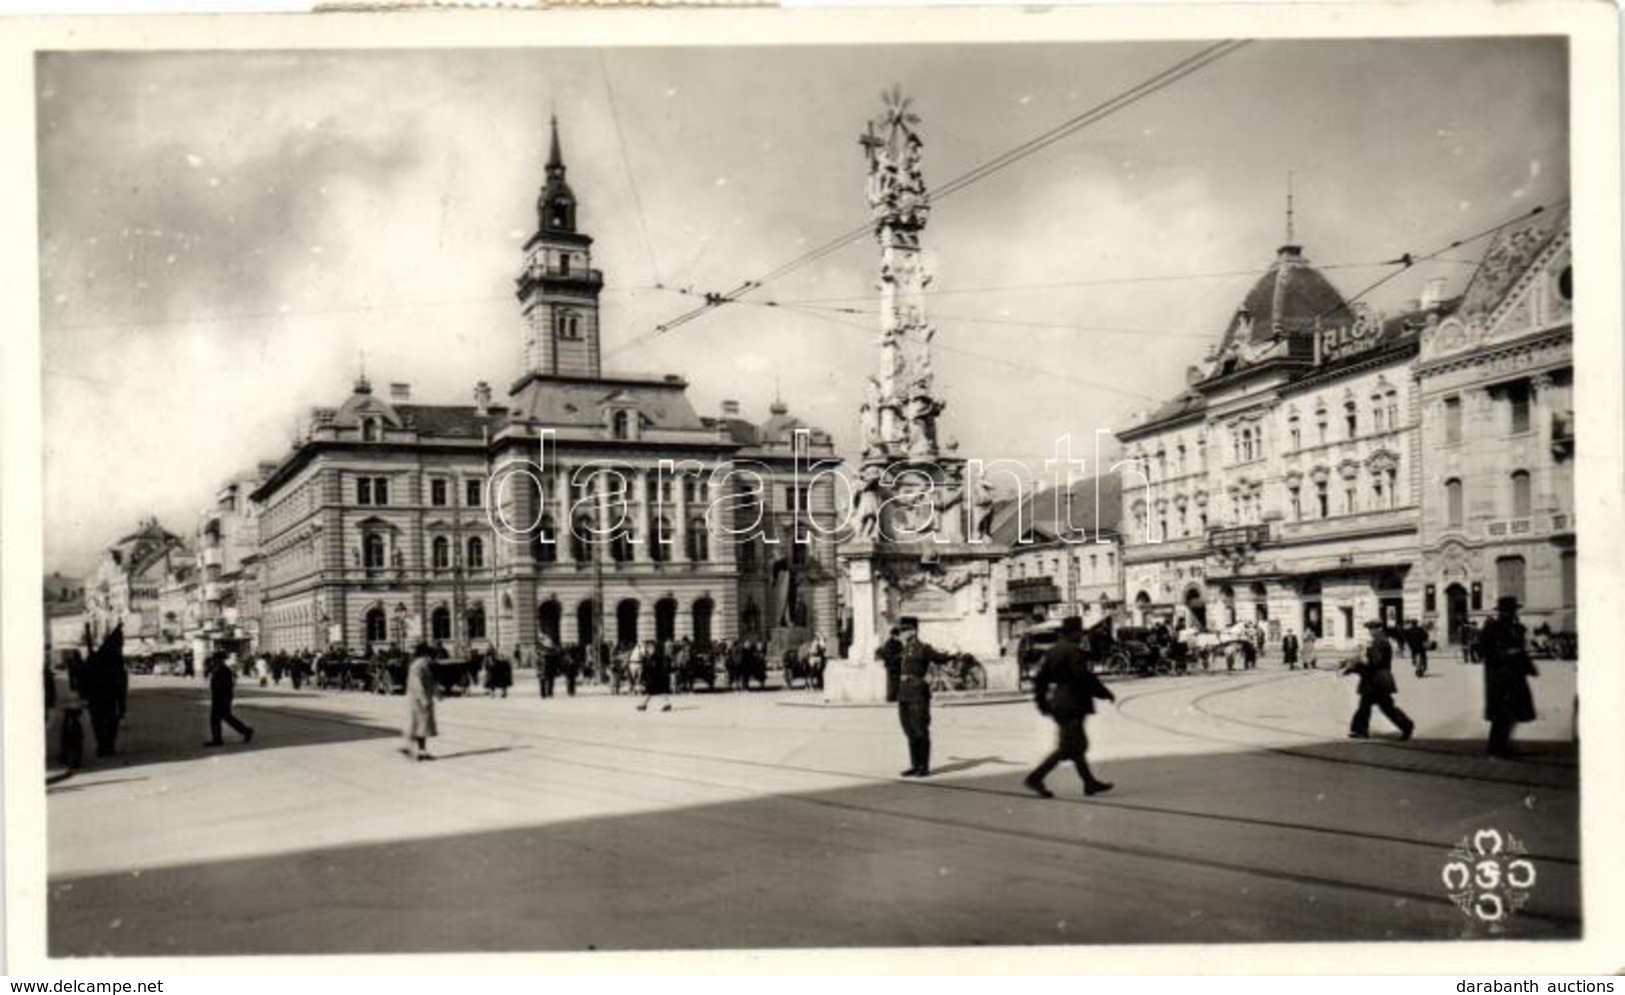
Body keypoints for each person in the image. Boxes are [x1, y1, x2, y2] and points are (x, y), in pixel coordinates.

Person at [1024, 616, 1115, 798]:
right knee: (1068, 747)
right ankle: (1035, 778)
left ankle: (1089, 783)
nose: (1081, 635)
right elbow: (1083, 677)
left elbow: (1040, 680)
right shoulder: (1074, 651)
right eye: (1079, 632)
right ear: (1073, 633)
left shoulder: (1053, 651)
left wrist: (1043, 704)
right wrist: (1103, 692)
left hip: (1060, 702)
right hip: (1073, 703)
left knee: (1076, 745)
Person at [1479, 596, 1537, 758]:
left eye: (1513, 610)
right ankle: (1495, 748)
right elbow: (1484, 651)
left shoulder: (1518, 629)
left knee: (1514, 713)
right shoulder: (1491, 628)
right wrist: (1506, 654)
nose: (1511, 613)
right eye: (1508, 611)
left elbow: (1521, 650)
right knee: (1501, 714)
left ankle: (1502, 745)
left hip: (1516, 677)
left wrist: (1530, 667)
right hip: (1499, 678)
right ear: (1501, 612)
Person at [1341, 620, 1414, 741]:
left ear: (1377, 629)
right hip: (1375, 680)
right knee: (1365, 706)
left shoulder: (1380, 642)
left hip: (1378, 681)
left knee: (1385, 707)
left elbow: (1376, 662)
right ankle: (1360, 730)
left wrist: (1358, 662)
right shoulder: (1379, 641)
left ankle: (1407, 726)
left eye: (1371, 629)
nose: (1370, 632)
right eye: (1369, 629)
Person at [895, 617, 944, 777]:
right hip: (904, 693)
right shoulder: (904, 648)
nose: (901, 633)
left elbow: (939, 658)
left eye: (904, 630)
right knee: (908, 729)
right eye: (901, 630)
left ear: (913, 631)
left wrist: (953, 655)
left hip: (917, 692)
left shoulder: (923, 648)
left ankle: (923, 766)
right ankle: (915, 765)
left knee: (920, 729)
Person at [83, 625, 127, 758]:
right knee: (107, 722)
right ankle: (106, 745)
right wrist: (121, 704)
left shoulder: (96, 660)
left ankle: (104, 745)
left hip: (100, 698)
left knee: (101, 722)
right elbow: (121, 684)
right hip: (104, 698)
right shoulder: (115, 662)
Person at [204, 651, 255, 747]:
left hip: (222, 698)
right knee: (224, 717)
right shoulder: (217, 669)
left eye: (216, 659)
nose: (214, 661)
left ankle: (218, 739)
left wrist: (224, 697)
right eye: (214, 660)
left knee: (219, 718)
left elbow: (227, 685)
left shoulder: (224, 670)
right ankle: (245, 731)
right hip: (218, 697)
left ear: (220, 660)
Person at [402, 643, 438, 761]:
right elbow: (417, 684)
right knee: (421, 727)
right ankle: (418, 752)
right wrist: (424, 699)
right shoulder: (418, 666)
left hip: (419, 699)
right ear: (425, 654)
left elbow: (429, 681)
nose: (430, 658)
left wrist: (436, 693)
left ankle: (418, 751)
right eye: (429, 655)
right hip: (419, 700)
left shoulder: (422, 665)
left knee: (421, 727)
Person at [638, 640, 672, 713]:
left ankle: (643, 705)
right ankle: (666, 704)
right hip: (661, 676)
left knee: (650, 691)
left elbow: (650, 667)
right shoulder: (662, 656)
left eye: (651, 647)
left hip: (655, 677)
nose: (650, 648)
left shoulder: (654, 657)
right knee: (660, 691)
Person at [879, 626, 903, 704]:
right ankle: (891, 697)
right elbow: (887, 655)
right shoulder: (889, 643)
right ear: (893, 635)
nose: (898, 637)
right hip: (891, 665)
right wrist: (898, 657)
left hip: (897, 665)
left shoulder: (898, 643)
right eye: (897, 635)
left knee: (896, 682)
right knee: (891, 682)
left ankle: (895, 696)